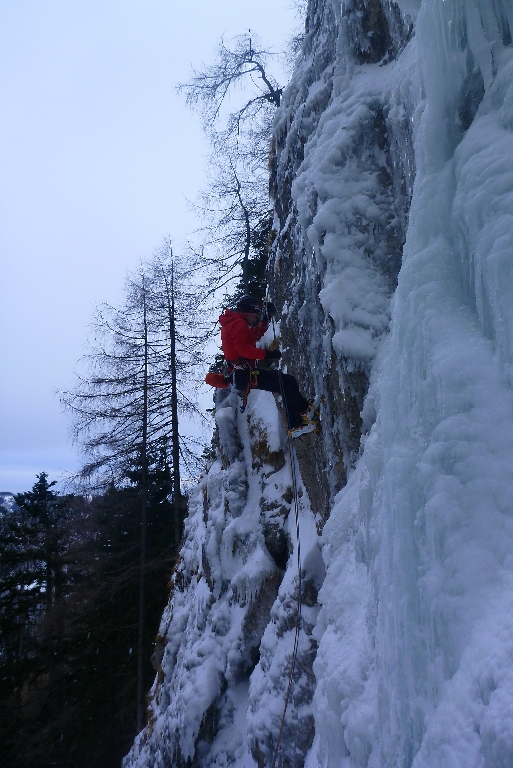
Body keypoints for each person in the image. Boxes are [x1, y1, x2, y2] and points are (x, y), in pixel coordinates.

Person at [219, 295, 317, 437]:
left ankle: (305, 410)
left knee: (286, 381)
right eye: (255, 314)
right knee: (284, 382)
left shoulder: (235, 323)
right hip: (244, 375)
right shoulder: (238, 323)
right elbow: (244, 349)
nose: (255, 318)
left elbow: (252, 337)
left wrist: (265, 320)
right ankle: (295, 425)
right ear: (248, 311)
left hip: (242, 375)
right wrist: (268, 354)